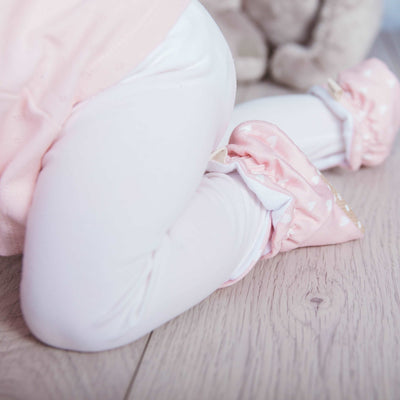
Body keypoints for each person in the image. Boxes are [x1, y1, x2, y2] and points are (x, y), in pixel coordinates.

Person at [1, 0, 399, 352]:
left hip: (138, 61)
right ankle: (336, 120)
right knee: (144, 164)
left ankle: (262, 192)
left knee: (78, 309)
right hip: (78, 70)